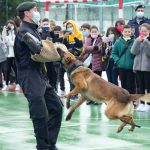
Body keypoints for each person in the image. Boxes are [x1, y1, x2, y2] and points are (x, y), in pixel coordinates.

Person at [14, 2, 63, 150]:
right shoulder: (24, 30)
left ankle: (49, 143)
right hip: (28, 75)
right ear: (27, 13)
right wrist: (55, 49)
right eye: (35, 10)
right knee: (39, 113)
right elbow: (37, 48)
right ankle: (43, 146)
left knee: (56, 107)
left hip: (39, 74)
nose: (37, 12)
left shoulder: (34, 29)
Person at [131, 23, 150, 112]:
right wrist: (137, 41)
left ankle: (148, 104)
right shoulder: (137, 40)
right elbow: (133, 52)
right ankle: (142, 103)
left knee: (148, 86)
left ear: (149, 31)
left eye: (145, 31)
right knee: (141, 86)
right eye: (142, 31)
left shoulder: (148, 40)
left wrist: (146, 42)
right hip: (138, 67)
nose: (143, 33)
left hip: (148, 68)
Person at [112, 25, 135, 94]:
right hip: (121, 67)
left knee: (131, 84)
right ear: (122, 32)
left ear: (131, 32)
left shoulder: (135, 41)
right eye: (125, 31)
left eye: (129, 31)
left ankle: (132, 99)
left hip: (132, 66)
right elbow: (114, 53)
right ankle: (124, 99)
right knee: (123, 83)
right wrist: (118, 61)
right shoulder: (118, 42)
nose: (127, 33)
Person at [63, 20, 83, 99]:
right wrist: (64, 38)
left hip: (77, 59)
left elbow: (80, 45)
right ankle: (72, 93)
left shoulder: (78, 34)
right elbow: (64, 47)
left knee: (77, 77)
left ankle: (76, 93)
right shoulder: (67, 36)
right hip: (69, 60)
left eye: (71, 26)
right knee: (70, 77)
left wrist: (74, 36)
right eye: (68, 27)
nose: (70, 28)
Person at [2, 20, 20, 91]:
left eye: (11, 25)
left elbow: (15, 42)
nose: (10, 26)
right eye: (9, 25)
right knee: (7, 70)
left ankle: (18, 84)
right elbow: (4, 42)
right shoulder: (5, 33)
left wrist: (9, 42)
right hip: (8, 54)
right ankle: (6, 84)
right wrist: (4, 32)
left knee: (16, 69)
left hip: (15, 54)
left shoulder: (16, 32)